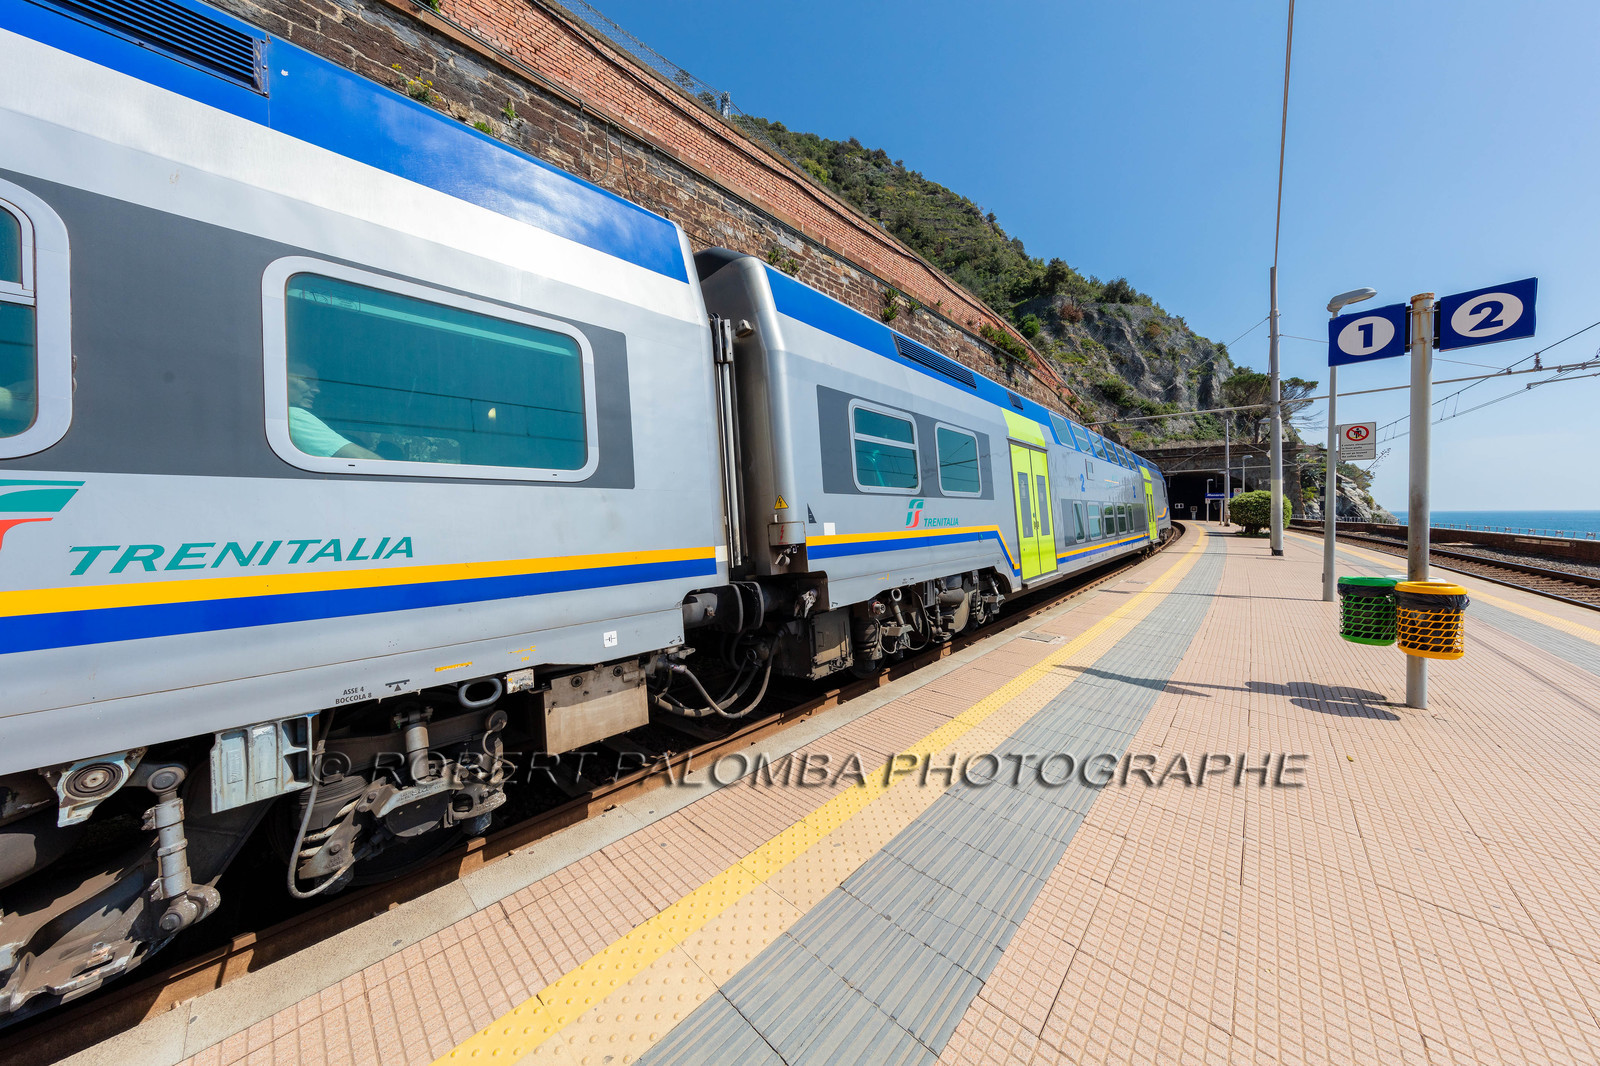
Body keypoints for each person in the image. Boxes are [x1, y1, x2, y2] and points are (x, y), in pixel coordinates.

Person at [287, 361, 379, 460]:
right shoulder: (294, 415)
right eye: (307, 381)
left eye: (317, 385)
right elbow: (361, 458)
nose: (317, 390)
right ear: (282, 380)